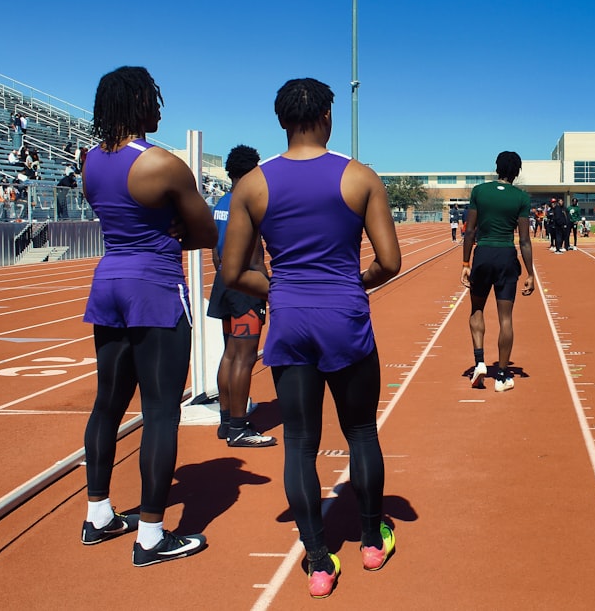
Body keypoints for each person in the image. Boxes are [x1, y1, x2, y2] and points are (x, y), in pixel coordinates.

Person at [222, 77, 401, 598]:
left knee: (300, 445)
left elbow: (233, 269)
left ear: (281, 121)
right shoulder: (360, 177)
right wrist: (354, 282)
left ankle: (319, 562)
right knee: (361, 432)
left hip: (292, 320)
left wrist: (279, 287)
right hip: (344, 317)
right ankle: (371, 539)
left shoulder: (252, 185)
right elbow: (389, 262)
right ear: (327, 117)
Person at [80, 66, 216, 567]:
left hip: (108, 280)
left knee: (107, 405)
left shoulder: (88, 160)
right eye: (154, 98)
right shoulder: (162, 163)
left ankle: (98, 515)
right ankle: (153, 535)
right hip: (154, 286)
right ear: (138, 103)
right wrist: (176, 226)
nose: (160, 108)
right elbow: (206, 233)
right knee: (161, 412)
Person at [207, 144, 276, 448]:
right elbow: (256, 254)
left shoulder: (221, 202)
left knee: (229, 354)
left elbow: (214, 250)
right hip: (247, 285)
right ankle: (239, 426)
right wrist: (269, 286)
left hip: (223, 282)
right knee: (245, 358)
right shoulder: (249, 201)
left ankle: (225, 421)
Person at [461, 150, 535, 391]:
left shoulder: (480, 192)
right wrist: (530, 273)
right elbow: (524, 240)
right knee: (506, 318)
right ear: (517, 172)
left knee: (477, 308)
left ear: (497, 168)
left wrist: (465, 264)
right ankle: (502, 375)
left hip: (482, 254)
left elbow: (470, 231)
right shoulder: (521, 198)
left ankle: (480, 362)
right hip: (506, 256)